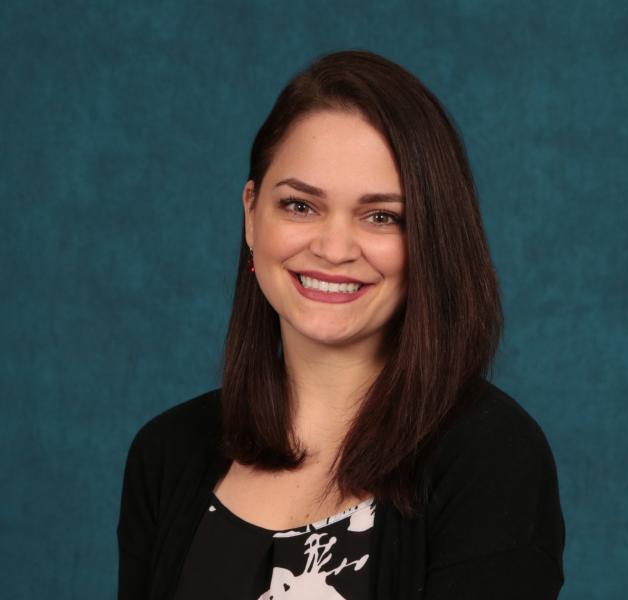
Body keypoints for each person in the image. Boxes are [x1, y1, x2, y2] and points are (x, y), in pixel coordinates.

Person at [117, 49, 566, 599]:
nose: (332, 249)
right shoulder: (166, 454)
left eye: (381, 216)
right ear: (251, 214)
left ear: (430, 240)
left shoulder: (492, 458)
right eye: (300, 206)